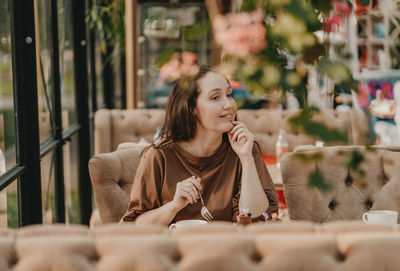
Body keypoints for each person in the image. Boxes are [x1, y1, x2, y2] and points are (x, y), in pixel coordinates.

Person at [121, 65, 278, 225]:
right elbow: (134, 226)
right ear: (191, 108)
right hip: (176, 249)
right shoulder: (159, 156)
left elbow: (261, 217)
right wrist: (174, 206)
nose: (229, 104)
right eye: (215, 97)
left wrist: (246, 159)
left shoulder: (245, 150)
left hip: (233, 248)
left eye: (229, 95)